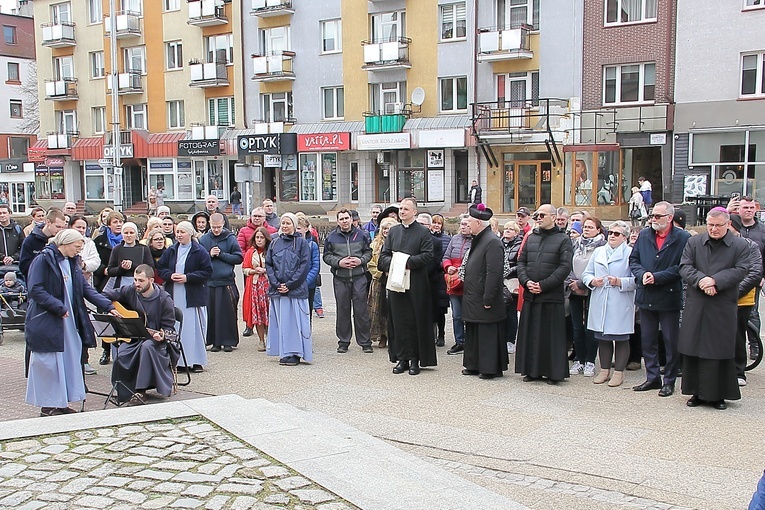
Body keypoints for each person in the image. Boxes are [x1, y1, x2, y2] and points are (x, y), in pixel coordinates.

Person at [25, 229, 116, 416]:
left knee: (68, 361)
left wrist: (108, 306)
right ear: (65, 244)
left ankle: (62, 401)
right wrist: (58, 307)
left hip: (69, 320)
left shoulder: (72, 262)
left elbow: (84, 289)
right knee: (50, 363)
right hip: (49, 320)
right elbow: (35, 289)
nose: (78, 251)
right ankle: (48, 405)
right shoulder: (43, 259)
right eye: (76, 247)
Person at [679, 208, 749, 410]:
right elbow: (685, 266)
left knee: (718, 349)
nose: (714, 229)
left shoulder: (740, 245)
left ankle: (718, 395)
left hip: (722, 304)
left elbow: (741, 269)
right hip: (698, 302)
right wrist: (701, 281)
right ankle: (695, 392)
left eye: (718, 225)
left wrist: (716, 281)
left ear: (727, 224)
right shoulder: (694, 242)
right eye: (710, 225)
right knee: (694, 348)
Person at [629, 201, 691, 397]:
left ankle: (669, 381)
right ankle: (652, 377)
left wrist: (658, 277)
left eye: (657, 216)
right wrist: (642, 274)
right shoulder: (645, 234)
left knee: (670, 340)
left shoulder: (682, 238)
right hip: (646, 294)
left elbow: (683, 266)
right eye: (651, 216)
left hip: (668, 295)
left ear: (670, 217)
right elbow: (634, 259)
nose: (653, 219)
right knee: (648, 339)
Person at [102, 265, 178, 404]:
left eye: (141, 280)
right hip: (135, 337)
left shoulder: (164, 299)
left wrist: (162, 336)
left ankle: (140, 391)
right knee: (122, 352)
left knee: (147, 347)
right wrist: (111, 309)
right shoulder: (131, 290)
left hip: (156, 342)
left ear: (151, 280)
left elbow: (169, 329)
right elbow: (105, 295)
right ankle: (123, 389)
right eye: (135, 279)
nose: (137, 283)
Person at [515, 204, 573, 384]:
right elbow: (521, 262)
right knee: (531, 334)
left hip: (550, 295)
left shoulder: (563, 239)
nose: (538, 218)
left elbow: (564, 267)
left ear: (554, 217)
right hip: (531, 294)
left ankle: (553, 372)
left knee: (551, 336)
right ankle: (532, 371)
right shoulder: (531, 237)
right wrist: (526, 282)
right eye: (536, 215)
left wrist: (543, 285)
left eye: (541, 215)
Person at [378, 198, 436, 375]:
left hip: (416, 284)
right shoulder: (394, 232)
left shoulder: (423, 232)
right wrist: (395, 262)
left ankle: (415, 360)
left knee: (414, 321)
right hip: (396, 284)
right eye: (401, 208)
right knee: (398, 321)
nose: (402, 211)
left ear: (414, 212)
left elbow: (428, 256)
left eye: (406, 209)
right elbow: (383, 257)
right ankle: (401, 358)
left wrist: (405, 262)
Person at [581, 220, 636, 387]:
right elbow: (586, 273)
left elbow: (637, 279)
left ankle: (618, 372)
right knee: (602, 336)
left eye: (616, 234)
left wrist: (620, 281)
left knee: (620, 337)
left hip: (620, 300)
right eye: (610, 233)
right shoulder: (599, 252)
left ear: (625, 237)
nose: (612, 236)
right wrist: (592, 281)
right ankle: (604, 370)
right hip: (600, 297)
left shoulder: (630, 253)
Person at [157, 221, 213, 373]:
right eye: (178, 232)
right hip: (174, 294)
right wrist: (170, 275)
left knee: (193, 328)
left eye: (182, 232)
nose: (179, 235)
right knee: (176, 327)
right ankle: (177, 360)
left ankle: (195, 361)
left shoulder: (199, 251)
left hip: (192, 296)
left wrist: (188, 277)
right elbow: (160, 268)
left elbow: (207, 271)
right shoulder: (171, 250)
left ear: (190, 233)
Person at [461, 204, 508, 379]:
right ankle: (474, 364)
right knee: (473, 332)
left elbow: (494, 272)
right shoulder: (479, 239)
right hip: (474, 296)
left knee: (487, 333)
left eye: (470, 221)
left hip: (485, 297)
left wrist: (488, 297)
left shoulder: (492, 242)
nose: (467, 224)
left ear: (479, 223)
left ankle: (489, 368)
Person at [323, 208, 373, 354]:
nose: (344, 221)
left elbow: (368, 252)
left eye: (347, 218)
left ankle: (365, 342)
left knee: (361, 311)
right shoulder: (331, 237)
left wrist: (360, 260)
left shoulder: (362, 235)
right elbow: (326, 256)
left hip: (359, 277)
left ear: (352, 219)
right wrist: (339, 262)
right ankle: (343, 341)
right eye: (342, 219)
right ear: (338, 221)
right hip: (340, 278)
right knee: (343, 310)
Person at [265, 213, 312, 366]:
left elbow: (304, 266)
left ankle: (296, 353)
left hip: (295, 291)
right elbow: (269, 264)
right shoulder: (274, 242)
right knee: (281, 322)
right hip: (278, 290)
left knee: (295, 323)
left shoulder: (301, 243)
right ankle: (284, 351)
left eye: (288, 223)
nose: (285, 226)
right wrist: (276, 283)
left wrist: (290, 284)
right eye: (283, 223)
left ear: (294, 225)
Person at [566, 215, 607, 377]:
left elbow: (601, 270)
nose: (587, 230)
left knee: (590, 327)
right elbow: (567, 264)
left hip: (593, 290)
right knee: (576, 327)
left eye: (590, 227)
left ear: (598, 229)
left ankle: (590, 361)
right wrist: (573, 283)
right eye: (585, 227)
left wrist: (583, 284)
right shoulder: (575, 244)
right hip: (574, 289)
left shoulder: (602, 247)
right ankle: (579, 360)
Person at [198, 213, 242, 353]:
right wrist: (209, 254)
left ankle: (228, 341)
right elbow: (199, 259)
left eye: (219, 227)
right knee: (212, 314)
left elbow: (238, 257)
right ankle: (214, 342)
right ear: (209, 224)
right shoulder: (204, 239)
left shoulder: (230, 238)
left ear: (223, 224)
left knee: (227, 314)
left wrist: (221, 254)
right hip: (210, 281)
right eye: (214, 227)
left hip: (226, 281)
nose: (216, 230)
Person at [729, 196, 765, 362]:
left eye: (751, 208)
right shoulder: (731, 226)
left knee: (753, 314)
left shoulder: (762, 230)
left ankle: (754, 346)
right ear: (739, 210)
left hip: (754, 279)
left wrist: (762, 275)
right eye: (745, 208)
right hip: (732, 281)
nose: (749, 210)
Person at [417, 213, 448, 347]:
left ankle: (439, 335)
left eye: (423, 224)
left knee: (437, 311)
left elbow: (434, 262)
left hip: (432, 280)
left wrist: (417, 271)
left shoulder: (436, 242)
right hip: (415, 281)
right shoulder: (413, 239)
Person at [443, 215, 472, 354]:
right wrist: (448, 267)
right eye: (461, 224)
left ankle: (471, 341)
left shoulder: (475, 241)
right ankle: (459, 342)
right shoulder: (454, 239)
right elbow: (446, 257)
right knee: (456, 315)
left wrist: (463, 268)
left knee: (469, 314)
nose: (463, 226)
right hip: (453, 282)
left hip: (468, 282)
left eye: (466, 224)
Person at [368, 217, 397, 349]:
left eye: (389, 228)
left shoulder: (398, 243)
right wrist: (380, 274)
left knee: (393, 310)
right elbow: (370, 263)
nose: (386, 231)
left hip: (395, 280)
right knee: (379, 310)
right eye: (384, 228)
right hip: (379, 281)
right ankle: (382, 336)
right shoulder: (375, 244)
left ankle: (393, 336)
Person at [242, 227, 271, 351]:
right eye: (257, 237)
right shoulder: (250, 252)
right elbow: (244, 269)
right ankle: (261, 340)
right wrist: (254, 271)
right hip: (254, 286)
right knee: (258, 314)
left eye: (262, 237)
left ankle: (271, 338)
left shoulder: (271, 251)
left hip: (268, 286)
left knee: (269, 313)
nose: (259, 240)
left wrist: (265, 270)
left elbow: (276, 267)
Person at [104, 222, 153, 292]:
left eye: (131, 233)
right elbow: (110, 270)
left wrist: (132, 266)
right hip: (121, 285)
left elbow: (150, 268)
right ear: (122, 234)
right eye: (126, 233)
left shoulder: (144, 249)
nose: (129, 235)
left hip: (140, 285)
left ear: (136, 234)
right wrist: (121, 267)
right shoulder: (117, 249)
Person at [19, 208, 67, 277]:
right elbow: (23, 267)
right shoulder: (30, 240)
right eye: (58, 226)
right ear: (48, 222)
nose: (60, 230)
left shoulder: (61, 241)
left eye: (63, 227)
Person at [501, 220, 522, 353]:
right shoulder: (498, 243)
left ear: (516, 232)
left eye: (511, 229)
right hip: (500, 281)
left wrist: (509, 270)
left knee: (511, 312)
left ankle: (511, 340)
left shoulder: (520, 245)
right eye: (506, 228)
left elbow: (520, 263)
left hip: (513, 281)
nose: (507, 230)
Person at [430, 213, 451, 346]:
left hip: (441, 276)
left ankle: (441, 334)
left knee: (440, 308)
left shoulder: (447, 239)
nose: (437, 225)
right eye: (434, 222)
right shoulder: (426, 238)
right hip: (430, 275)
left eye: (439, 223)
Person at [93, 211, 124, 292]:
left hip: (123, 280)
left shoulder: (128, 240)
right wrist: (103, 270)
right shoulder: (99, 241)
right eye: (115, 222)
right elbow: (93, 259)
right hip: (104, 280)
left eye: (121, 222)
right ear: (109, 225)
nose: (118, 224)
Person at [296, 214, 321, 313]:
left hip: (308, 285)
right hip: (293, 285)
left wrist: (305, 282)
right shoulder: (290, 243)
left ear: (306, 229)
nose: (297, 231)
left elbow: (315, 266)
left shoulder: (312, 245)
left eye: (299, 228)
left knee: (307, 313)